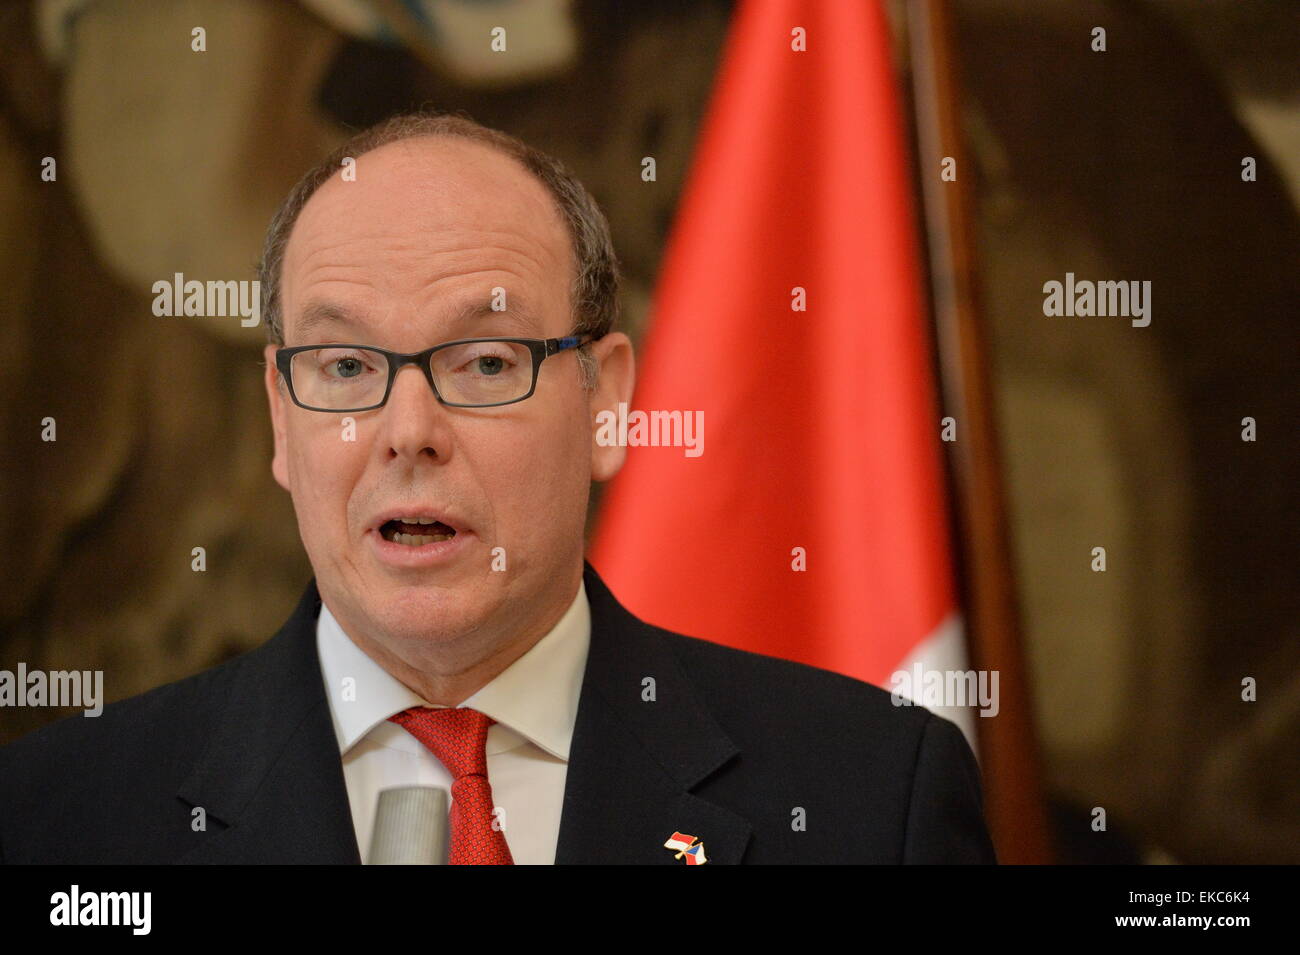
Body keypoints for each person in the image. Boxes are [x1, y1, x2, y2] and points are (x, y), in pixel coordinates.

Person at [0, 113, 995, 864]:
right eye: (345, 367)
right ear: (279, 417)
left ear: (604, 401)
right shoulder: (58, 816)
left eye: (482, 363)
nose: (409, 434)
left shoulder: (871, 794)